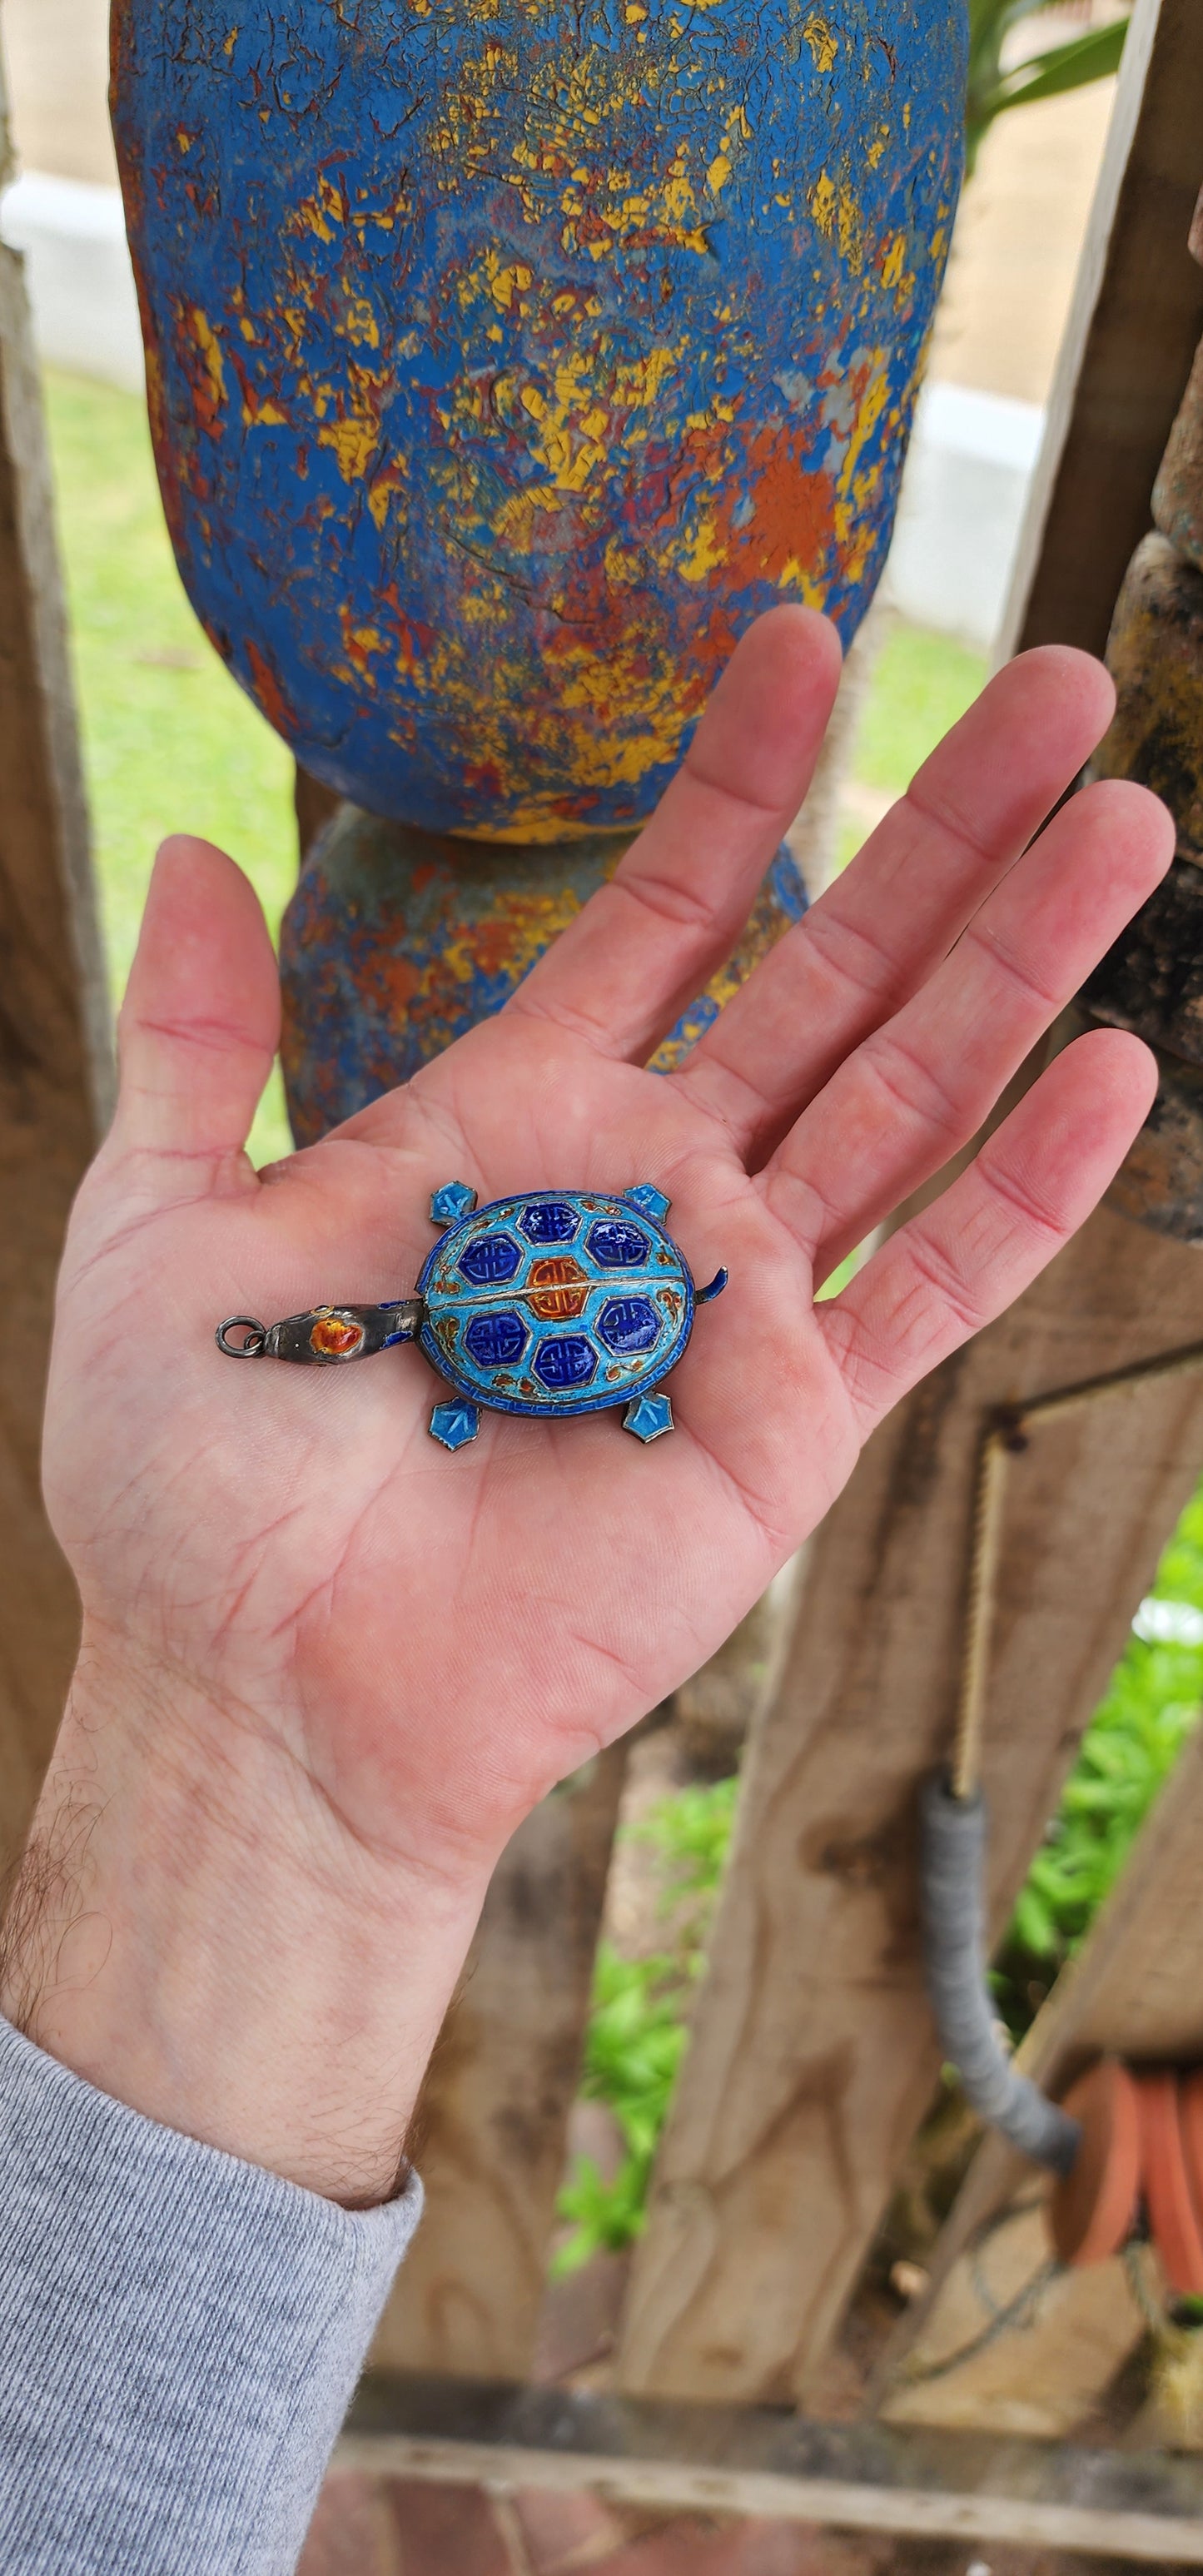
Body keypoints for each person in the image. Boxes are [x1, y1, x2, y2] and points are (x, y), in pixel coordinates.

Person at [0, 609, 1172, 2573]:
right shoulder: (537, 1318)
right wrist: (252, 1769)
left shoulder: (500, 1300)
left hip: (546, 1328)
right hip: (557, 1330)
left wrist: (244, 1782)